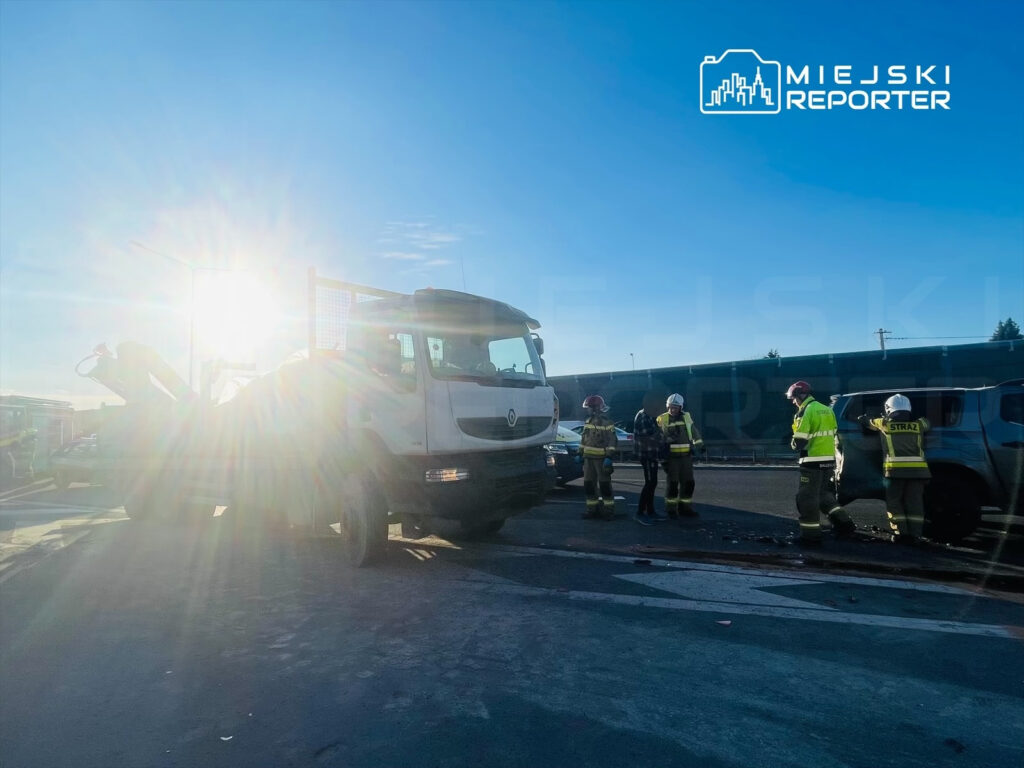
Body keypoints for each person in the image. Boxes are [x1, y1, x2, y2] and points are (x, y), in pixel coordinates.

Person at [786, 380, 856, 544]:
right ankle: (845, 524)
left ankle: (810, 536)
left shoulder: (806, 411)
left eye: (793, 399)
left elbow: (800, 442)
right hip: (828, 461)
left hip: (811, 463)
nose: (793, 402)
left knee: (806, 498)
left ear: (799, 396)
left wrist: (793, 443)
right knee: (823, 495)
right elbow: (833, 433)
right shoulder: (826, 409)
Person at [858, 394, 931, 544]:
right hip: (918, 473)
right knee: (915, 503)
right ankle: (916, 535)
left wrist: (863, 418)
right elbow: (927, 423)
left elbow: (867, 422)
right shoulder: (919, 425)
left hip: (894, 472)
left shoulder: (884, 424)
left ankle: (900, 533)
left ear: (888, 410)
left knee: (894, 502)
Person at [655, 393, 703, 518]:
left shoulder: (686, 418)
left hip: (686, 457)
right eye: (670, 407)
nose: (672, 410)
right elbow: (658, 438)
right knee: (673, 485)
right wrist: (664, 450)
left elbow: (694, 432)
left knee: (688, 483)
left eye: (675, 407)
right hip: (672, 458)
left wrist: (700, 446)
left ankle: (685, 508)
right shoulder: (662, 419)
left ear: (680, 408)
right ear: (667, 407)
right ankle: (671, 509)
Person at [579, 394, 618, 520]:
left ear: (596, 408)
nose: (587, 410)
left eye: (589, 407)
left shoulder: (607, 422)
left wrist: (609, 457)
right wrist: (580, 454)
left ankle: (608, 512)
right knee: (589, 486)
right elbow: (584, 439)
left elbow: (612, 441)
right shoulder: (587, 422)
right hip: (588, 460)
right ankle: (592, 510)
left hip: (601, 460)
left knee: (605, 486)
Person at [633, 396, 665, 524]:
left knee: (653, 482)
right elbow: (650, 436)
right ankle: (640, 513)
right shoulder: (643, 416)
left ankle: (651, 511)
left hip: (652, 453)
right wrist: (664, 434)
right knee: (650, 482)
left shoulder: (650, 415)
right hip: (646, 454)